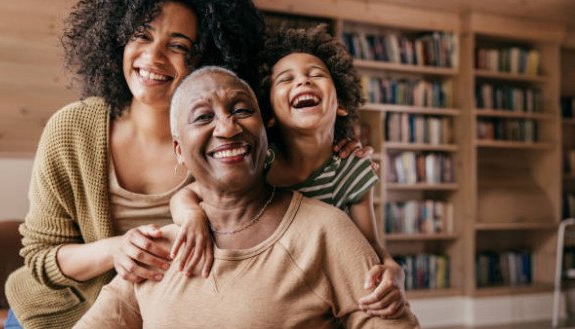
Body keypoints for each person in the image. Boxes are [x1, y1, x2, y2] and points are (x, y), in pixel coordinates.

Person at [75, 66, 420, 328]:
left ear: (264, 132)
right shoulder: (156, 252)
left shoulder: (324, 230)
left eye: (241, 110)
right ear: (180, 151)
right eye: (204, 117)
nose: (227, 128)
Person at [3, 1, 265, 328]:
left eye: (178, 45)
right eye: (141, 35)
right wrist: (115, 250)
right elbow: (40, 257)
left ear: (206, 59)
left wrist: (342, 143)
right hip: (58, 314)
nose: (153, 57)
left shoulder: (225, 141)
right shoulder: (71, 129)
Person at [170, 26, 407, 318]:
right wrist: (191, 216)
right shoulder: (258, 162)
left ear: (342, 102)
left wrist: (393, 269)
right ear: (267, 114)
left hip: (322, 296)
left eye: (316, 74)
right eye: (286, 79)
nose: (304, 80)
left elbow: (369, 246)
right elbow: (187, 195)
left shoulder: (352, 169)